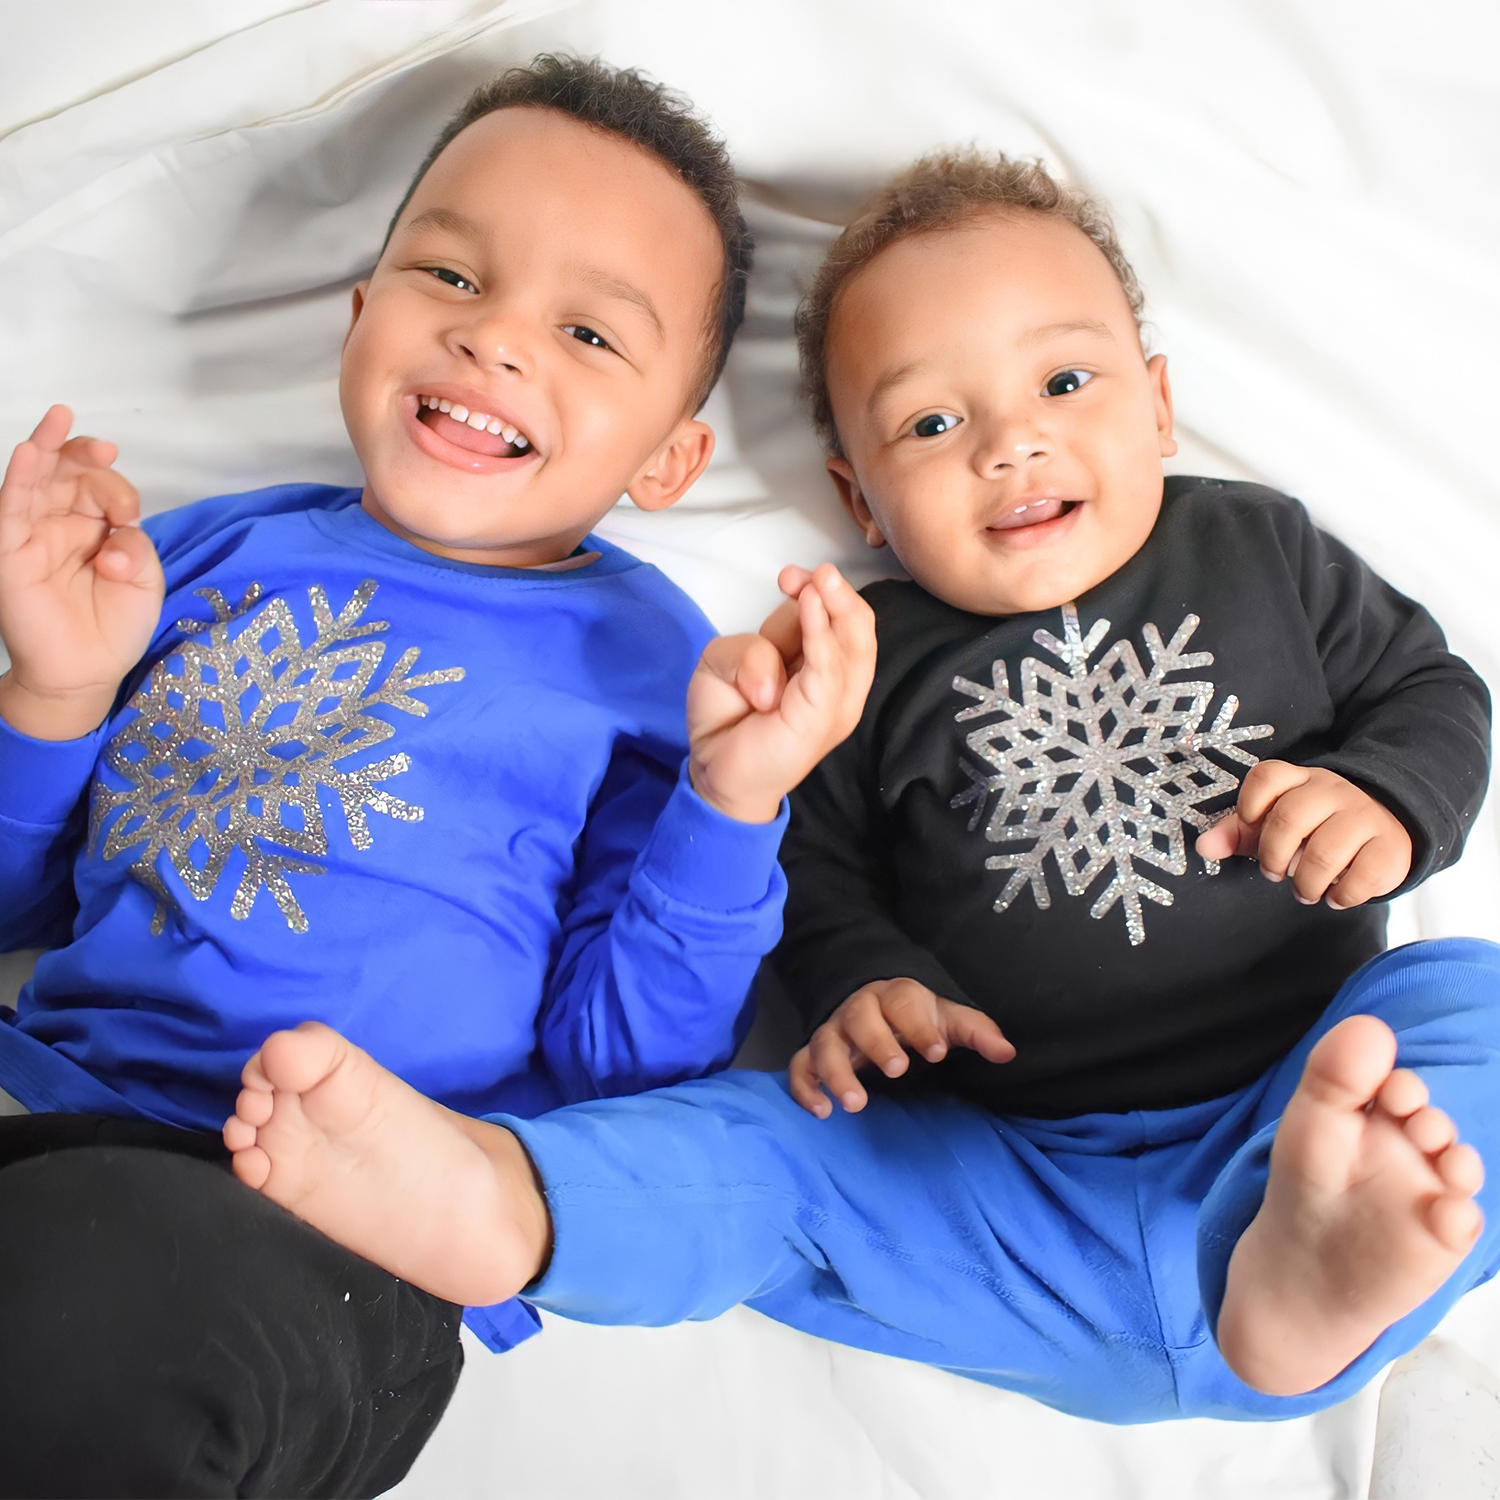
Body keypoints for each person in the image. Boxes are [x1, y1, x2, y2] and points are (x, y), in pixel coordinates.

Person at [224, 150, 1499, 1424]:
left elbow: (1433, 690)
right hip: (1005, 1190)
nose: (1014, 442)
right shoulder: (868, 663)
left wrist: (1384, 800)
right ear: (859, 498)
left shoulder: (1256, 547)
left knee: (1466, 999)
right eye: (933, 424)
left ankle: (1307, 1272)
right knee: (770, 1147)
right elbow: (813, 873)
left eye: (1065, 380)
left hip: (1316, 1107)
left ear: (1158, 408)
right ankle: (516, 1202)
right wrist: (868, 984)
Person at [0, 56, 875, 1499]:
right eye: (451, 278)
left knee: (92, 1355)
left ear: (669, 459)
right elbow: (22, 904)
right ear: (360, 318)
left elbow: (622, 1065)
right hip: (49, 1109)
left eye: (589, 331)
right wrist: (57, 690)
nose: (496, 342)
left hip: (329, 1243)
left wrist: (732, 803)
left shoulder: (655, 666)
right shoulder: (200, 556)